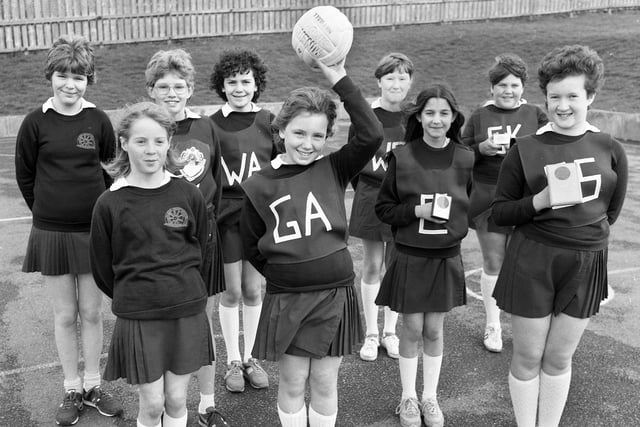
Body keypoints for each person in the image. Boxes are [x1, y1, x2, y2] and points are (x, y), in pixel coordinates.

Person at [240, 59, 383, 427]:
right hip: (288, 297)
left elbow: (371, 135)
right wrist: (285, 272)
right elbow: (250, 242)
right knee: (291, 381)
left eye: (318, 136)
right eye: (299, 133)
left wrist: (339, 78)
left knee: (324, 381)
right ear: (281, 130)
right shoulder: (259, 184)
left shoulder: (333, 168)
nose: (308, 144)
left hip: (335, 294)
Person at [491, 45, 628, 427]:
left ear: (590, 97)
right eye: (555, 97)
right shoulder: (526, 149)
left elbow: (610, 211)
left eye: (572, 96)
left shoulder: (610, 148)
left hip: (585, 262)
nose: (563, 105)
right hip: (533, 259)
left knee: (559, 358)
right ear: (544, 98)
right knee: (528, 357)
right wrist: (539, 201)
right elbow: (500, 212)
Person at [14, 34, 122, 426]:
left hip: (93, 232)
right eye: (63, 75)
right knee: (64, 315)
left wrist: (104, 219)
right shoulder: (35, 122)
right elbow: (25, 177)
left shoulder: (98, 120)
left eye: (79, 76)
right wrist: (47, 212)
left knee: (92, 312)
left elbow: (112, 175)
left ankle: (93, 386)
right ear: (51, 76)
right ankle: (71, 388)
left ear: (89, 79)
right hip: (53, 233)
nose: (70, 84)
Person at [89, 102, 216, 427]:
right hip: (140, 314)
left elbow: (202, 250)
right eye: (141, 141)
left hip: (185, 311)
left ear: (169, 143)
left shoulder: (188, 194)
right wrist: (134, 293)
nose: (150, 150)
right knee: (152, 404)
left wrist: (185, 290)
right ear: (123, 143)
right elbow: (103, 268)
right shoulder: (110, 203)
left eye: (159, 141)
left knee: (175, 400)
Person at [375, 84, 473, 427]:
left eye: (444, 113)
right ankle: (408, 397)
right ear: (418, 116)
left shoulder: (465, 157)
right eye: (429, 112)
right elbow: (384, 209)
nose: (436, 119)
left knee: (434, 328)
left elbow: (468, 203)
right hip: (410, 254)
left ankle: (429, 397)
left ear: (454, 117)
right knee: (412, 327)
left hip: (445, 254)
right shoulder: (402, 157)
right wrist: (416, 210)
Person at [145, 48, 228, 427]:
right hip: (160, 240)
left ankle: (207, 403)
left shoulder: (207, 127)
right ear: (151, 91)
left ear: (191, 89)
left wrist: (208, 224)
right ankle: (164, 404)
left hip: (203, 237)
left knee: (202, 322)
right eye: (163, 86)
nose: (172, 92)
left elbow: (217, 182)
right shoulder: (145, 128)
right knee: (163, 325)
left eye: (180, 86)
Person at [461, 53, 548, 353]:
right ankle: (493, 325)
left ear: (523, 87)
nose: (508, 91)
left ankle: (525, 326)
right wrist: (480, 148)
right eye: (501, 85)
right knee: (494, 262)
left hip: (527, 197)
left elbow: (553, 146)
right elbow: (459, 154)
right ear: (491, 88)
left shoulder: (536, 114)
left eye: (514, 85)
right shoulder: (479, 116)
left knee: (526, 264)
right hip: (489, 195)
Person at [208, 49, 278, 392]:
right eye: (232, 81)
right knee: (232, 290)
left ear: (256, 84)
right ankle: (232, 360)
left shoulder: (269, 121)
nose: (238, 87)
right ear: (222, 85)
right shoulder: (212, 124)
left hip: (260, 215)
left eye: (245, 81)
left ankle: (251, 357)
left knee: (254, 289)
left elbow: (280, 169)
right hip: (227, 215)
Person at [349, 52, 414, 362]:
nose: (396, 83)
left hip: (405, 201)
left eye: (402, 77)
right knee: (373, 266)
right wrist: (365, 190)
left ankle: (390, 332)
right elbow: (352, 160)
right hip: (371, 197)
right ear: (379, 81)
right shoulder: (367, 116)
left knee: (397, 267)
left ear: (410, 81)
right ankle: (371, 333)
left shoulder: (414, 117)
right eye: (390, 77)